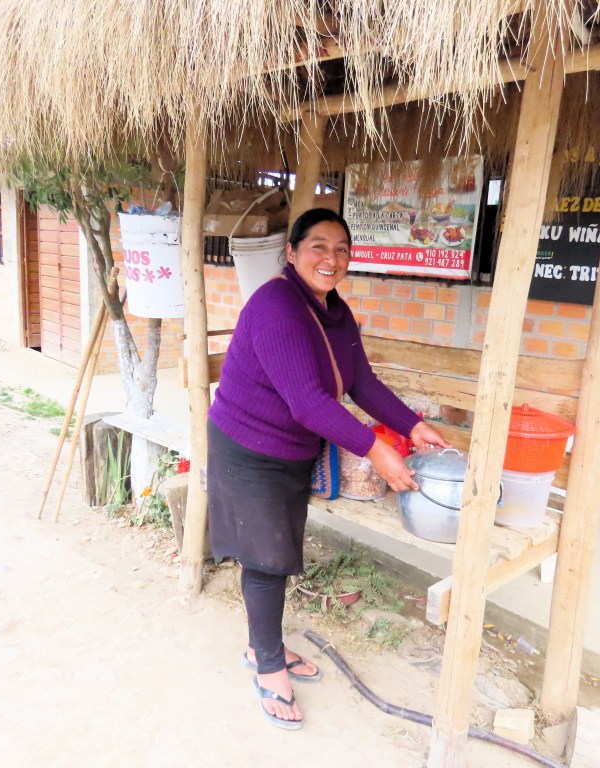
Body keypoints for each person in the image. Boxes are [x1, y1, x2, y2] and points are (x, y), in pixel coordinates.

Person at [206, 207, 450, 730]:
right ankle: (267, 666)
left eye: (341, 249)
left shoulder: (334, 311)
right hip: (248, 446)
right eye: (318, 246)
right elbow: (308, 403)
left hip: (292, 450)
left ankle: (261, 647)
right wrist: (376, 450)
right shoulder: (276, 306)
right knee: (267, 559)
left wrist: (410, 427)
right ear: (291, 254)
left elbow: (361, 381)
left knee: (279, 550)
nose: (331, 258)